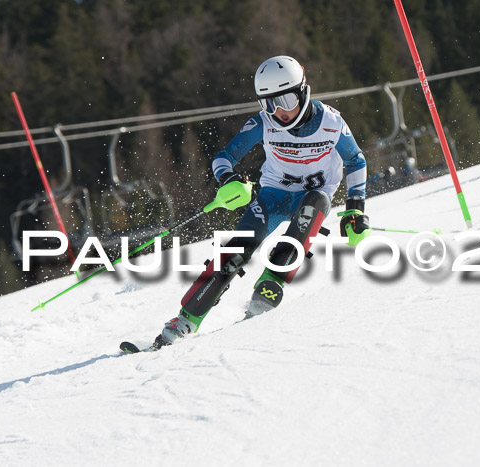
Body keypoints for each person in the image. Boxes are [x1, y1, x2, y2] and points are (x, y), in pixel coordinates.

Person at [150, 56, 371, 350]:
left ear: (304, 91)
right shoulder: (262, 123)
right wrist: (229, 180)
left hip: (314, 195)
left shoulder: (330, 122)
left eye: (287, 99)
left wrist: (356, 206)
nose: (280, 112)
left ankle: (271, 282)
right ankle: (185, 320)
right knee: (237, 249)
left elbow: (356, 160)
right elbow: (222, 158)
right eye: (270, 103)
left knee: (310, 209)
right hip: (274, 195)